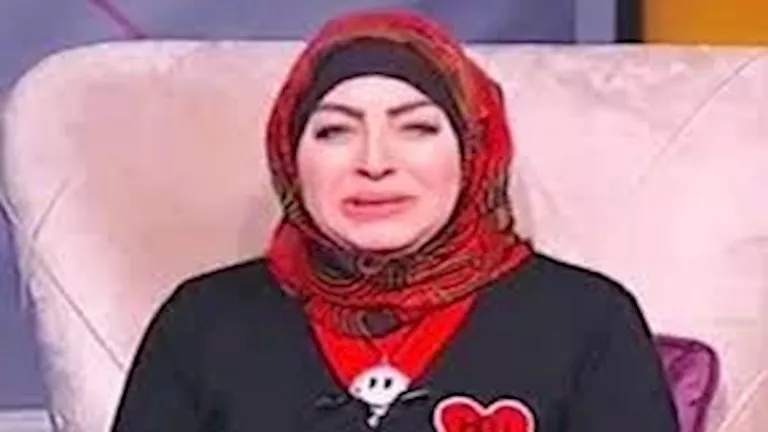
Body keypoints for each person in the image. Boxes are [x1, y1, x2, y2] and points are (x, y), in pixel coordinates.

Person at [111, 9, 679, 432]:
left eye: (417, 128)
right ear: (290, 157)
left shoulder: (587, 321)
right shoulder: (203, 322)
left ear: (473, 152)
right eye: (335, 131)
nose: (375, 162)